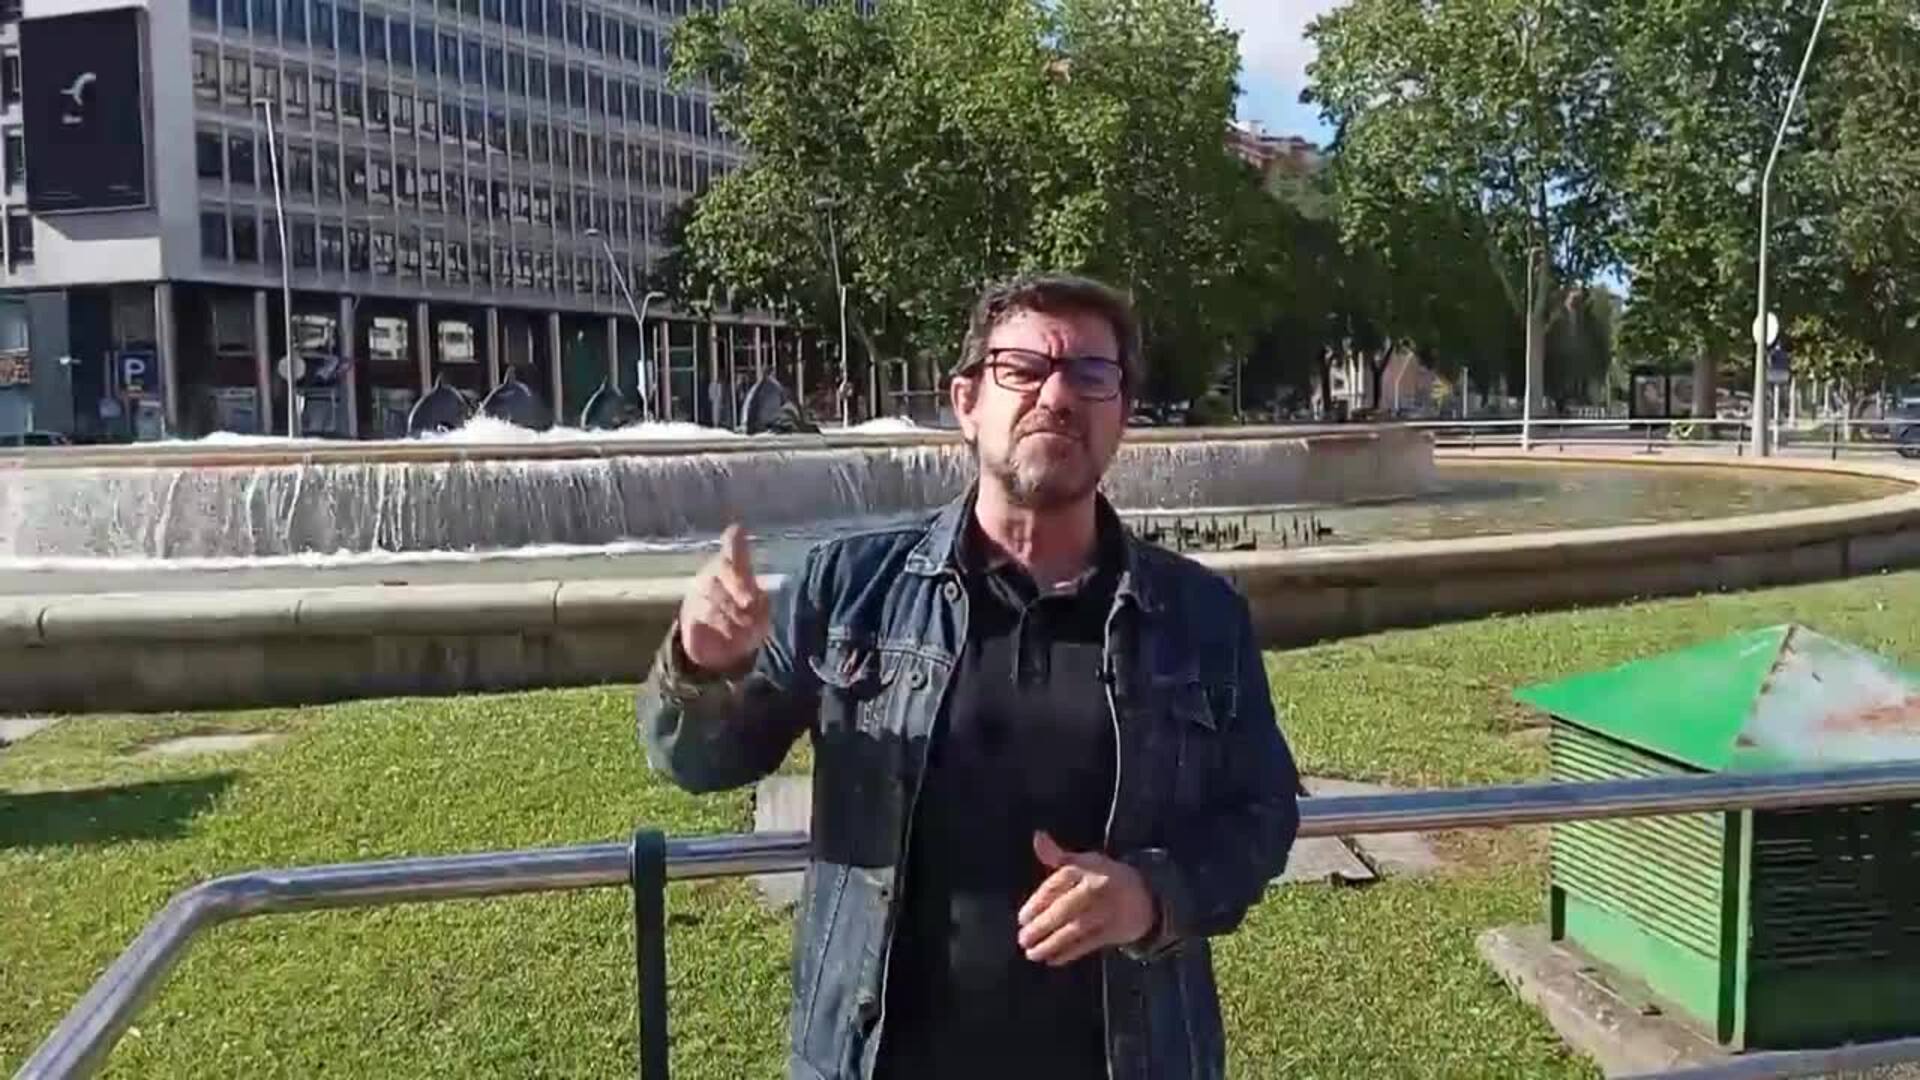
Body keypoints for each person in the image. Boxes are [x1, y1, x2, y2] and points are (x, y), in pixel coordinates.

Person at [637, 273, 1300, 1079]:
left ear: (1122, 414)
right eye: (1022, 368)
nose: (1057, 396)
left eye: (1091, 374)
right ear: (966, 402)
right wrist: (701, 666)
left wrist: (1150, 896)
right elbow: (696, 762)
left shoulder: (1201, 616)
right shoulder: (849, 589)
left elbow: (1262, 816)